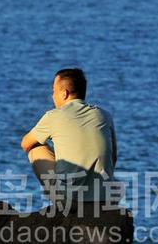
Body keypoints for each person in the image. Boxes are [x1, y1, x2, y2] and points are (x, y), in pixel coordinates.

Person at [20, 68, 117, 208]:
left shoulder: (54, 116)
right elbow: (113, 157)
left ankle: (60, 205)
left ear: (64, 94)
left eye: (53, 91)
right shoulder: (104, 115)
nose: (52, 96)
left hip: (71, 202)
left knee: (36, 148)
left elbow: (25, 144)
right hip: (106, 199)